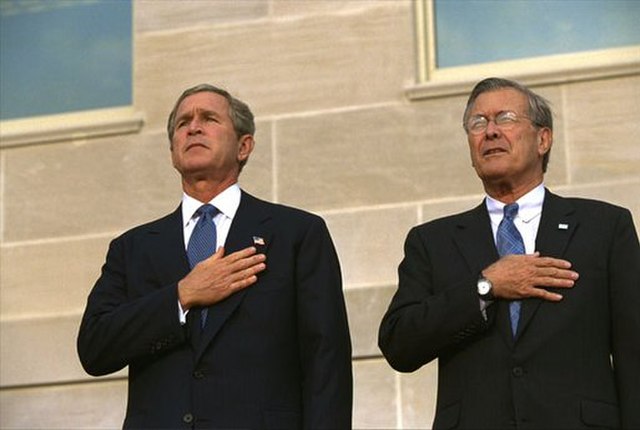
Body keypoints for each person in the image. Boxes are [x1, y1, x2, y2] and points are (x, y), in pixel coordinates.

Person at [77, 84, 353, 429]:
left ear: (244, 146)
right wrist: (181, 296)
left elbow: (326, 362)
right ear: (173, 152)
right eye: (182, 123)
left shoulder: (296, 234)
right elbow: (94, 348)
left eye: (209, 118)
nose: (193, 127)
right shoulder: (132, 248)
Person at [378, 77, 640, 429]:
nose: (490, 132)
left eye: (505, 119)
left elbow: (633, 352)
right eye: (477, 123)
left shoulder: (604, 227)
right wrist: (485, 287)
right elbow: (399, 344)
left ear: (543, 139)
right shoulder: (433, 241)